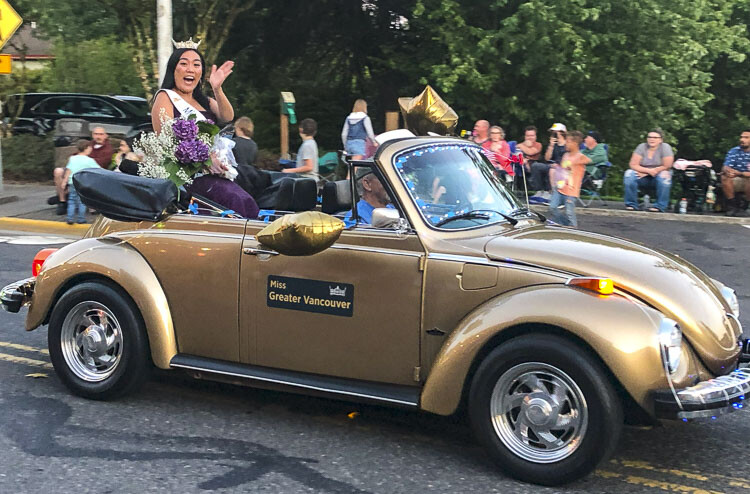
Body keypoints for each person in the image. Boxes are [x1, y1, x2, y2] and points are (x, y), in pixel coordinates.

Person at [149, 43, 258, 219]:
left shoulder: (204, 101)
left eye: (196, 64)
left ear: (201, 72)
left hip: (217, 173)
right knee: (235, 200)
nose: (190, 69)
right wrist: (205, 160)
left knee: (251, 194)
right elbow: (167, 141)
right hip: (187, 178)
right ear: (173, 69)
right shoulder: (165, 97)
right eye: (184, 63)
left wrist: (217, 88)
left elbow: (227, 116)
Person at [51, 126, 113, 214]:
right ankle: (62, 201)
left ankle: (66, 195)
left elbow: (101, 163)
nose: (98, 136)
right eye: (96, 134)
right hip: (77, 169)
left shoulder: (108, 149)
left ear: (105, 135)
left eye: (101, 134)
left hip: (93, 172)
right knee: (58, 171)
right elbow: (74, 155)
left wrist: (83, 159)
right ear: (92, 135)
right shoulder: (89, 144)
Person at [623, 129, 674, 212]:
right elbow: (633, 164)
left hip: (659, 173)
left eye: (655, 137)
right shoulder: (642, 147)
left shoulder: (665, 147)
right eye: (649, 137)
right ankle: (631, 204)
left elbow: (667, 165)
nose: (651, 139)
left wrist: (650, 172)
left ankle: (660, 206)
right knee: (629, 174)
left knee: (665, 176)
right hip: (643, 174)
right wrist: (648, 171)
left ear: (660, 140)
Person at [548, 131, 591, 227]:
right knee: (552, 207)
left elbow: (589, 160)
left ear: (575, 144)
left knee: (569, 213)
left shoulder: (580, 157)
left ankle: (573, 229)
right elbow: (563, 169)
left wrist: (575, 163)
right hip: (560, 188)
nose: (565, 144)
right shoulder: (565, 155)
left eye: (568, 141)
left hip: (571, 191)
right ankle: (564, 225)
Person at [63, 139, 100, 225]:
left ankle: (70, 218)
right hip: (83, 182)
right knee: (82, 201)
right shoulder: (90, 160)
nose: (91, 149)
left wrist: (64, 181)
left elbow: (68, 170)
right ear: (86, 148)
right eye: (90, 147)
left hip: (72, 181)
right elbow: (98, 170)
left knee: (71, 200)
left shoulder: (72, 158)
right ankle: (81, 219)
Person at [529, 123, 567, 196]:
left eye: (555, 132)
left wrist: (559, 165)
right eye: (552, 133)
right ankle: (539, 191)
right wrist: (551, 145)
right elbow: (547, 158)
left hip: (562, 168)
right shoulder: (553, 144)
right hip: (551, 165)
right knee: (535, 166)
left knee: (552, 170)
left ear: (562, 133)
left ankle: (551, 193)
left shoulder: (568, 144)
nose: (553, 134)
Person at [721, 129, 750, 216]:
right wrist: (727, 171)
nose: (742, 140)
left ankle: (745, 206)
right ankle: (732, 206)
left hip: (746, 178)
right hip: (736, 178)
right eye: (741, 137)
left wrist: (740, 173)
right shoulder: (734, 151)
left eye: (746, 137)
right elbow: (726, 166)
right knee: (724, 177)